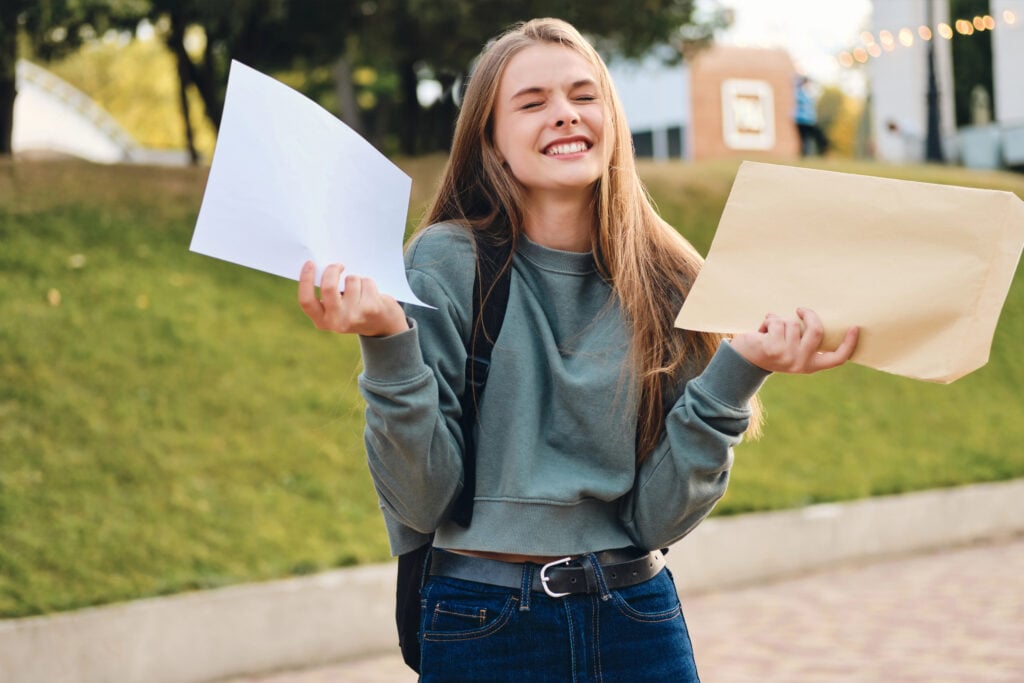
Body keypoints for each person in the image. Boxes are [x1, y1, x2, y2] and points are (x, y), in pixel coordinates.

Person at [298, 18, 858, 681]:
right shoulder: (445, 263)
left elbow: (658, 518)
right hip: (483, 624)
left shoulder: (670, 279)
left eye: (584, 95)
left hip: (637, 620)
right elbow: (421, 501)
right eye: (532, 102)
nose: (565, 114)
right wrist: (387, 341)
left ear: (610, 119)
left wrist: (742, 370)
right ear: (491, 140)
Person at [795, 75, 828, 157]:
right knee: (804, 139)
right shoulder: (799, 92)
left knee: (814, 137)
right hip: (803, 120)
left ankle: (820, 152)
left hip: (810, 120)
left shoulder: (809, 93)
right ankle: (804, 155)